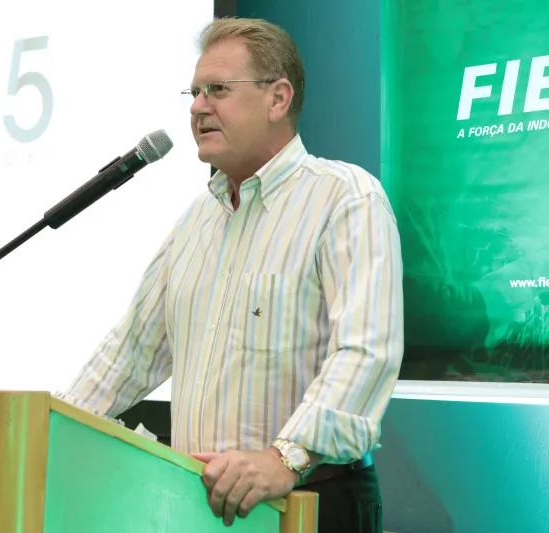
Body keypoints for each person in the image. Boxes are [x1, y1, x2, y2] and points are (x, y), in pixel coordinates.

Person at [55, 17, 404, 533]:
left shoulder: (345, 198)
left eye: (217, 89)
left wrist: (283, 458)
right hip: (197, 504)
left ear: (278, 98)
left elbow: (366, 351)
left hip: (307, 502)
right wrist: (53, 427)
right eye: (194, 92)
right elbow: (132, 350)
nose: (198, 107)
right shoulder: (196, 219)